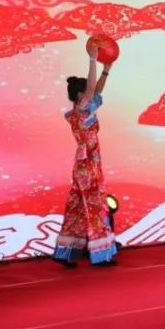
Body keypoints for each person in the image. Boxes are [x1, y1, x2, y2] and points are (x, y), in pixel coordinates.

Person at [52, 46, 117, 267]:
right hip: (88, 166)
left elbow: (95, 91)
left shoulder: (80, 112)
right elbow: (91, 90)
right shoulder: (80, 111)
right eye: (86, 93)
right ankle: (102, 254)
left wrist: (106, 70)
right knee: (96, 208)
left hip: (83, 166)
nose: (91, 96)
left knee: (77, 209)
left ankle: (67, 253)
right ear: (81, 96)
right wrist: (92, 60)